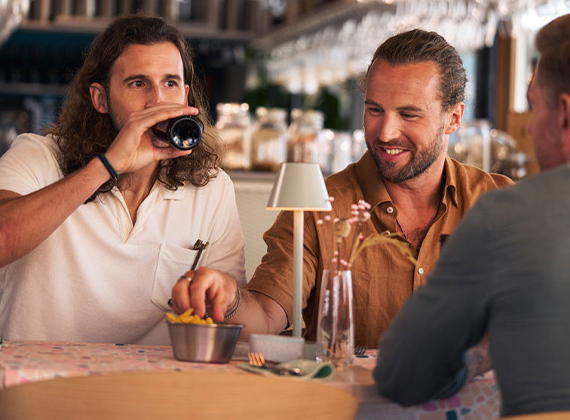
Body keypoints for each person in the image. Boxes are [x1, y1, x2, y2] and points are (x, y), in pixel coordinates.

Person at [172, 29, 512, 348]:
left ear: (454, 118)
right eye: (375, 110)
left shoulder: (498, 203)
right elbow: (266, 314)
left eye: (409, 115)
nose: (386, 132)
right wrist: (229, 300)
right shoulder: (319, 206)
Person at [0, 15, 246, 345]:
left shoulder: (212, 188)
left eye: (170, 83)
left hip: (150, 389)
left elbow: (235, 317)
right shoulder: (38, 155)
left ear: (186, 98)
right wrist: (108, 165)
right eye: (138, 84)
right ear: (100, 99)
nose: (157, 101)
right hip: (38, 385)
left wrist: (226, 294)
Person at [373, 14, 570, 417]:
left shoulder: (507, 213)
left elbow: (404, 372)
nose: (529, 129)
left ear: (565, 114)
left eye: (534, 108)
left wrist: (484, 353)